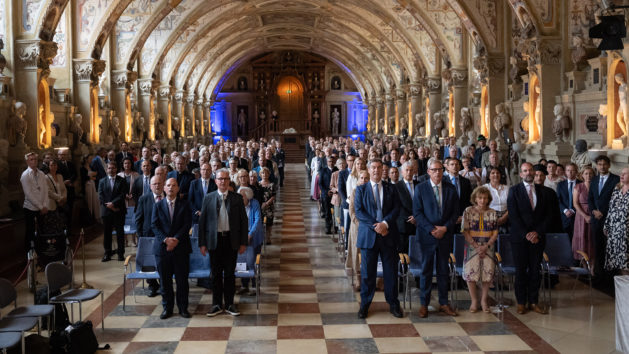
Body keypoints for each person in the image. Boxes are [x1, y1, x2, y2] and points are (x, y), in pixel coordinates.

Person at [354, 158, 402, 319]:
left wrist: (385, 224)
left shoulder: (391, 188)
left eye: (379, 168)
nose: (376, 170)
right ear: (368, 169)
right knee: (368, 273)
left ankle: (393, 304)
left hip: (388, 236)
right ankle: (365, 305)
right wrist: (377, 225)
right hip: (369, 236)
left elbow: (397, 208)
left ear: (383, 170)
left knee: (391, 273)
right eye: (373, 167)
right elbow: (359, 212)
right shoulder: (361, 189)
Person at [413, 158, 459, 318]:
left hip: (445, 235)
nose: (437, 172)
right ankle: (424, 304)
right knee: (426, 270)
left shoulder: (451, 188)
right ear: (428, 172)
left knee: (443, 270)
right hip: (427, 235)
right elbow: (417, 213)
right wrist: (432, 229)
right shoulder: (420, 189)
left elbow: (455, 213)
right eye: (434, 170)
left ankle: (444, 303)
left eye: (440, 169)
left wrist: (445, 228)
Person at [198, 168, 248, 317]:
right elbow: (202, 223)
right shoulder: (208, 198)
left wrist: (243, 242)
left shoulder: (236, 198)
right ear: (216, 181)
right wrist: (202, 243)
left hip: (231, 241)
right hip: (214, 241)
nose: (223, 182)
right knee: (216, 274)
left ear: (229, 181)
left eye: (226, 179)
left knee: (230, 275)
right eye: (220, 179)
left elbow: (243, 222)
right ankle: (216, 304)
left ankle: (230, 304)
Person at [507, 162, 548, 315]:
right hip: (520, 238)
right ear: (521, 173)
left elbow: (548, 216)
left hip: (538, 238)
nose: (529, 173)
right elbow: (514, 216)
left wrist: (537, 232)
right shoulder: (514, 191)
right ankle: (521, 302)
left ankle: (534, 301)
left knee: (535, 271)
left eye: (531, 170)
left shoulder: (544, 191)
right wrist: (527, 234)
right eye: (525, 170)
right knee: (521, 271)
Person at [151, 178, 192, 319]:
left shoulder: (185, 205)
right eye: (168, 185)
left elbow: (187, 224)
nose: (171, 188)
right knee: (165, 281)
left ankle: (183, 308)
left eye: (174, 185)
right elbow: (154, 225)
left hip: (181, 248)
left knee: (182, 281)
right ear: (164, 188)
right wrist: (166, 240)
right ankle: (167, 308)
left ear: (178, 188)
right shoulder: (157, 205)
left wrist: (176, 240)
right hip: (162, 250)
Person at [461, 186, 498, 313]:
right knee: (471, 274)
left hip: (489, 247)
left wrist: (486, 246)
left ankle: (484, 300)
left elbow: (495, 232)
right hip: (472, 247)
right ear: (475, 199)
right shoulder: (468, 211)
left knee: (487, 275)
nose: (482, 200)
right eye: (480, 198)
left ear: (488, 199)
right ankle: (474, 301)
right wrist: (477, 246)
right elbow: (465, 231)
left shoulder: (493, 212)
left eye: (485, 198)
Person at [588, 155, 620, 281]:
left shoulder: (616, 179)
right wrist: (593, 211)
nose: (602, 166)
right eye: (599, 164)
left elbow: (616, 200)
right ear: (596, 165)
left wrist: (604, 212)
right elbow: (590, 198)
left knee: (609, 246)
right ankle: (599, 273)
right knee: (598, 246)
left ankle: (610, 274)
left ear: (609, 165)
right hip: (596, 219)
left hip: (610, 219)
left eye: (604, 164)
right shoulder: (594, 179)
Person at [134, 176, 164, 297]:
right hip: (148, 235)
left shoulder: (167, 197)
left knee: (162, 261)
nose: (157, 186)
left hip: (164, 235)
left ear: (163, 185)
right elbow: (138, 219)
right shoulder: (144, 199)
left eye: (159, 183)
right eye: (154, 184)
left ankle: (163, 285)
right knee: (149, 262)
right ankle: (152, 285)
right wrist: (141, 237)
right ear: (150, 186)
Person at [98, 161, 128, 262]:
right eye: (109, 168)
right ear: (106, 170)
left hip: (119, 210)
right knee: (107, 234)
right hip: (106, 212)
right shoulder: (102, 181)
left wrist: (113, 204)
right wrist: (110, 206)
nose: (111, 170)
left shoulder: (122, 180)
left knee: (120, 233)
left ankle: (120, 253)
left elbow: (123, 194)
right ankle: (107, 253)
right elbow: (101, 196)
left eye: (113, 168)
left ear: (116, 169)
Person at [236, 186, 263, 296]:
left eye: (242, 197)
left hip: (254, 236)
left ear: (248, 197)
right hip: (241, 237)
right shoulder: (237, 205)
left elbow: (257, 220)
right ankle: (244, 285)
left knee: (254, 261)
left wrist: (250, 234)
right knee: (242, 261)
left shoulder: (254, 203)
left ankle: (254, 286)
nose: (239, 199)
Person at [347, 170, 370, 290]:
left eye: (367, 178)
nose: (364, 180)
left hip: (370, 227)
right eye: (362, 178)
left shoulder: (372, 191)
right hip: (358, 227)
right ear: (358, 180)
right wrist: (360, 223)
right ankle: (358, 278)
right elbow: (352, 211)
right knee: (357, 252)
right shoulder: (355, 191)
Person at [604, 167, 629, 274]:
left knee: (626, 261)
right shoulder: (617, 189)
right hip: (614, 232)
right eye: (621, 173)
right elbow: (611, 209)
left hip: (626, 232)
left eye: (624, 174)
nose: (621, 176)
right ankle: (623, 288)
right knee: (617, 262)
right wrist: (606, 225)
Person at [573, 166, 594, 266]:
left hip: (593, 214)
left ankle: (592, 265)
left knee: (592, 238)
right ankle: (584, 265)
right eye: (586, 173)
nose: (588, 175)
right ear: (582, 175)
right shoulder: (578, 186)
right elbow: (575, 203)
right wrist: (585, 216)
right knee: (582, 237)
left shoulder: (596, 185)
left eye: (590, 173)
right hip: (581, 216)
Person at [395, 161, 417, 254]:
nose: (409, 172)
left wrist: (417, 217)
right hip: (403, 225)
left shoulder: (420, 185)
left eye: (411, 170)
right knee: (403, 255)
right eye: (407, 170)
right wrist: (410, 218)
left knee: (416, 254)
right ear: (402, 172)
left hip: (418, 224)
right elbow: (397, 206)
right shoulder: (396, 187)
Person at [557, 163, 581, 241]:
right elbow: (558, 200)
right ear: (565, 172)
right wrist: (565, 210)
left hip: (577, 215)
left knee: (577, 239)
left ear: (576, 172)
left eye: (572, 170)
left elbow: (582, 200)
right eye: (568, 170)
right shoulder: (560, 184)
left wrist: (573, 210)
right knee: (565, 240)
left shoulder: (581, 184)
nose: (570, 172)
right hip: (564, 216)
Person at [44, 159, 68, 234]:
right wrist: (59, 198)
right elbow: (48, 192)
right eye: (51, 165)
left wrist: (64, 198)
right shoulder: (46, 177)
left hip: (61, 203)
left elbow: (64, 189)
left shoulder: (60, 176)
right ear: (48, 166)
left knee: (62, 224)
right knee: (53, 227)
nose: (54, 167)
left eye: (55, 165)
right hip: (52, 203)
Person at [484, 167, 509, 233]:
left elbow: (512, 205)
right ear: (489, 176)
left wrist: (503, 218)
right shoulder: (484, 188)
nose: (496, 175)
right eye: (493, 173)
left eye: (498, 173)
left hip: (506, 217)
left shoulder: (507, 188)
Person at [319, 156, 338, 234]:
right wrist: (327, 191)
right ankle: (328, 227)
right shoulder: (323, 170)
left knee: (336, 212)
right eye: (329, 161)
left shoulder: (337, 170)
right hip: (326, 194)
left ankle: (336, 227)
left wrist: (334, 191)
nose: (331, 163)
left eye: (332, 161)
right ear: (327, 162)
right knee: (327, 212)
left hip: (336, 194)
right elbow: (320, 183)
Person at [259, 167, 277, 244]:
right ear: (260, 174)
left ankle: (268, 237)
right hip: (260, 206)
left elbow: (273, 196)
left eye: (266, 173)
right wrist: (261, 204)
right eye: (263, 173)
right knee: (261, 222)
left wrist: (267, 203)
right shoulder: (258, 184)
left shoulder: (272, 184)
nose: (264, 174)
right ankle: (261, 237)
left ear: (269, 174)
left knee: (269, 223)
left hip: (269, 206)